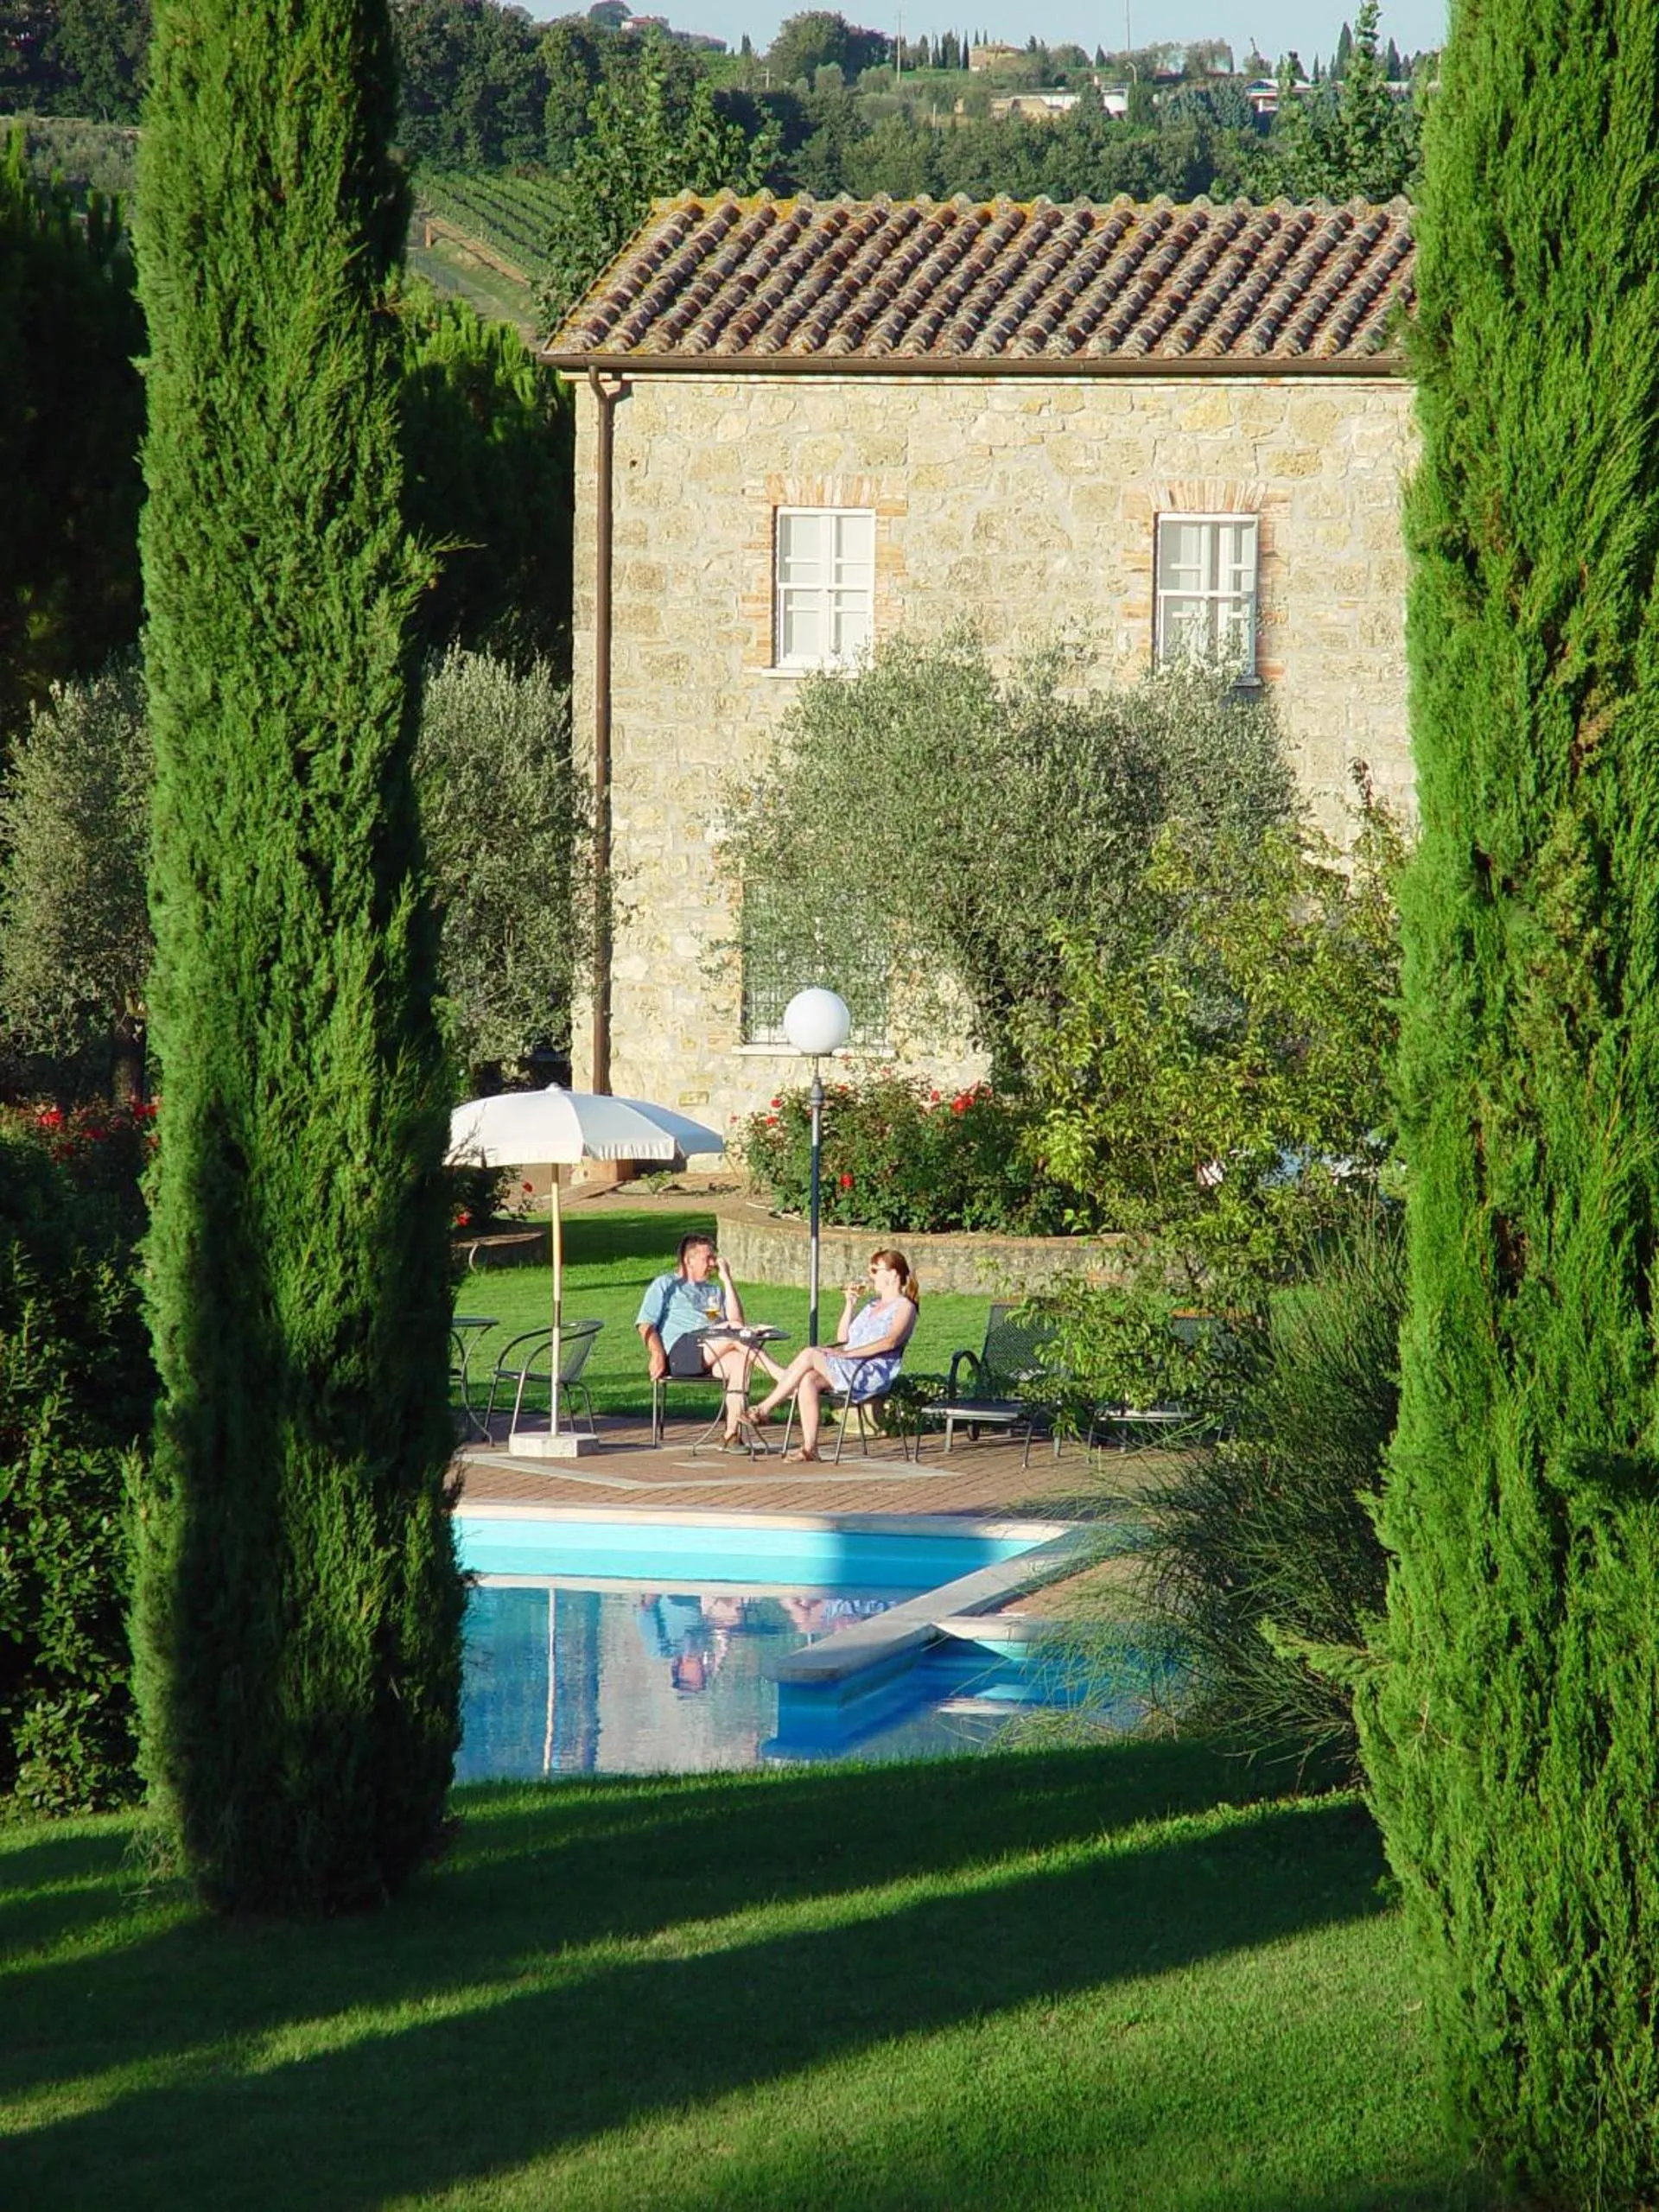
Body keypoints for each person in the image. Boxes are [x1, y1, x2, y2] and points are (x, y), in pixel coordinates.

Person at [750, 1249, 918, 1463]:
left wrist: (848, 1354)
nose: (871, 1275)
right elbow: (843, 1337)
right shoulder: (870, 1306)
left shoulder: (905, 1307)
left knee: (810, 1353)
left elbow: (891, 1342)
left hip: (869, 1371)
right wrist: (850, 1305)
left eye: (876, 1270)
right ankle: (810, 1448)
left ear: (894, 1274)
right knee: (808, 1379)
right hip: (850, 1363)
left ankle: (764, 1408)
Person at [636, 1231, 784, 1447]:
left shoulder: (712, 1290)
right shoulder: (666, 1284)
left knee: (740, 1361)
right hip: (681, 1351)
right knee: (734, 1331)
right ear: (689, 1260)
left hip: (709, 1350)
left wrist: (727, 1280)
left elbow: (736, 1321)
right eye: (708, 1258)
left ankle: (732, 1434)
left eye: (714, 1258)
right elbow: (646, 1324)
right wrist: (656, 1354)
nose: (713, 1263)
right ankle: (782, 1377)